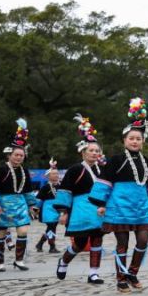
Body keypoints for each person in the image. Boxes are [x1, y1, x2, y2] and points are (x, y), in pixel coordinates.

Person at [89, 98, 148, 293]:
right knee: (122, 243)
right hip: (119, 207)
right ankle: (121, 278)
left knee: (143, 241)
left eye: (138, 139)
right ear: (124, 140)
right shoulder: (116, 160)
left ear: (143, 141)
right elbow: (105, 182)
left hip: (141, 207)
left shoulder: (146, 161)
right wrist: (101, 203)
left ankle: (132, 272)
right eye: (131, 138)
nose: (135, 141)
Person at [54, 114, 106, 284]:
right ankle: (64, 261)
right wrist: (63, 211)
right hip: (81, 209)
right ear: (83, 152)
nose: (94, 153)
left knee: (97, 239)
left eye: (97, 150)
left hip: (99, 210)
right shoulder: (75, 169)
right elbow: (65, 190)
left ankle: (93, 273)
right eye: (91, 150)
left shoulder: (103, 170)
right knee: (80, 243)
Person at [0, 119, 36, 271]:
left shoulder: (25, 171)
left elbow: (27, 190)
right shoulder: (0, 171)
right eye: (16, 155)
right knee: (0, 233)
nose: (19, 157)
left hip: (20, 204)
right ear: (9, 155)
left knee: (23, 230)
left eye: (21, 155)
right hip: (2, 205)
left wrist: (32, 205)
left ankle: (19, 260)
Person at [35, 160, 62, 254]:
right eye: (53, 174)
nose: (56, 175)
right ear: (48, 176)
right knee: (51, 227)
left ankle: (40, 244)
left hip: (57, 209)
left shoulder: (60, 185)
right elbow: (38, 199)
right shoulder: (45, 187)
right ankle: (52, 246)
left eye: (57, 173)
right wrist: (35, 210)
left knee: (51, 228)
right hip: (48, 209)